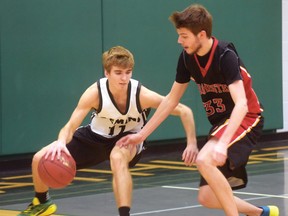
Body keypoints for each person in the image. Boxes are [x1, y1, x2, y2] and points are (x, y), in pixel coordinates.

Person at [116, 4, 279, 216]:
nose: (179, 41)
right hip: (221, 124)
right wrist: (141, 134)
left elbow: (241, 104)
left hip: (246, 117)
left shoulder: (224, 56)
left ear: (201, 34)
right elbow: (170, 100)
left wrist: (222, 143)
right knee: (206, 197)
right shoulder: (186, 59)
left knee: (204, 159)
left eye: (184, 36)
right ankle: (261, 213)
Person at [17, 46, 197, 216]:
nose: (124, 78)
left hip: (128, 139)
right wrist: (61, 141)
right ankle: (42, 202)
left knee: (117, 157)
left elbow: (184, 111)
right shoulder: (94, 93)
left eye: (128, 72)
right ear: (107, 73)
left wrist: (191, 143)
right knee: (39, 158)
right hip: (94, 138)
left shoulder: (141, 95)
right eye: (118, 73)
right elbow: (71, 125)